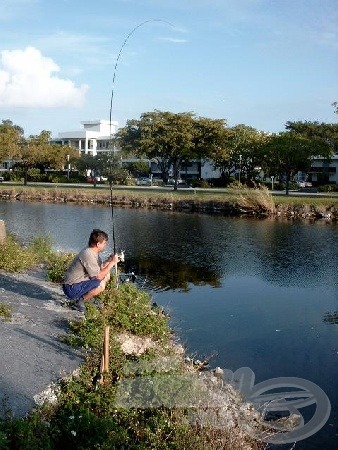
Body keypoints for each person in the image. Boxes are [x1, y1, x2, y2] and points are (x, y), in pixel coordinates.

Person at [62, 229, 119, 312]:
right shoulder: (88, 254)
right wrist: (113, 263)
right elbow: (99, 276)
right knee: (100, 284)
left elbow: (101, 269)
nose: (105, 246)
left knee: (105, 276)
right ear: (98, 244)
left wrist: (109, 260)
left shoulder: (92, 252)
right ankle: (80, 302)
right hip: (71, 288)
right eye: (104, 243)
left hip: (76, 284)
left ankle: (87, 298)